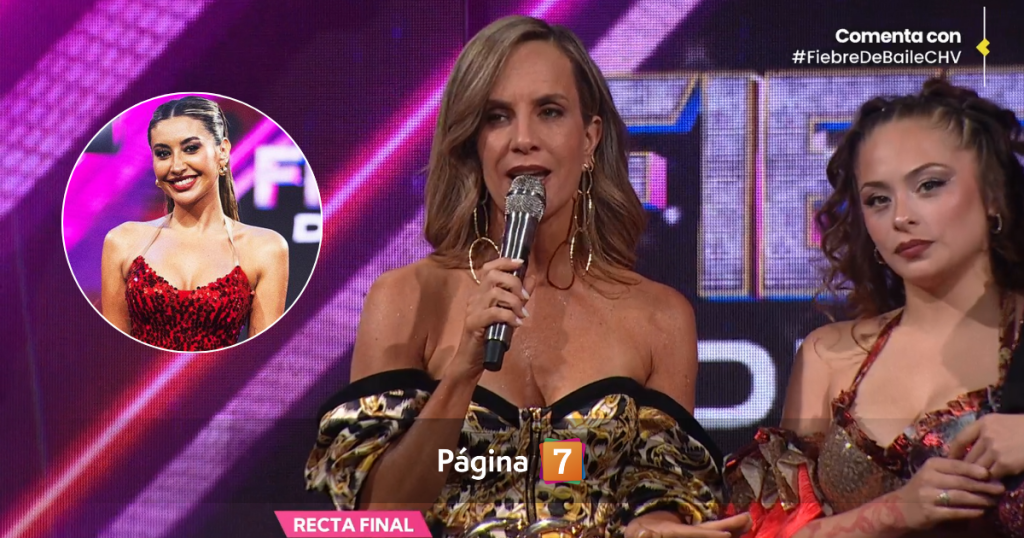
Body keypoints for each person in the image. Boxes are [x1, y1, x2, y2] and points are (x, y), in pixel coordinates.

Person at [305, 15, 750, 538]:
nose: (523, 139)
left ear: (590, 138)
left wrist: (653, 526)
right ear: (474, 142)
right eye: (497, 117)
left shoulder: (660, 317)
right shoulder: (407, 298)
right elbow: (376, 516)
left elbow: (661, 490)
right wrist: (461, 374)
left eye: (549, 112)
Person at [725, 78, 1024, 538]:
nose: (901, 216)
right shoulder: (829, 357)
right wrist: (895, 512)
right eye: (878, 199)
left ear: (993, 196)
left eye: (929, 185)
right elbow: (771, 531)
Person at [100, 96, 289, 352]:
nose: (176, 166)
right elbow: (114, 355)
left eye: (190, 149)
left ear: (222, 151)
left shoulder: (265, 248)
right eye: (163, 153)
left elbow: (260, 357)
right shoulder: (122, 241)